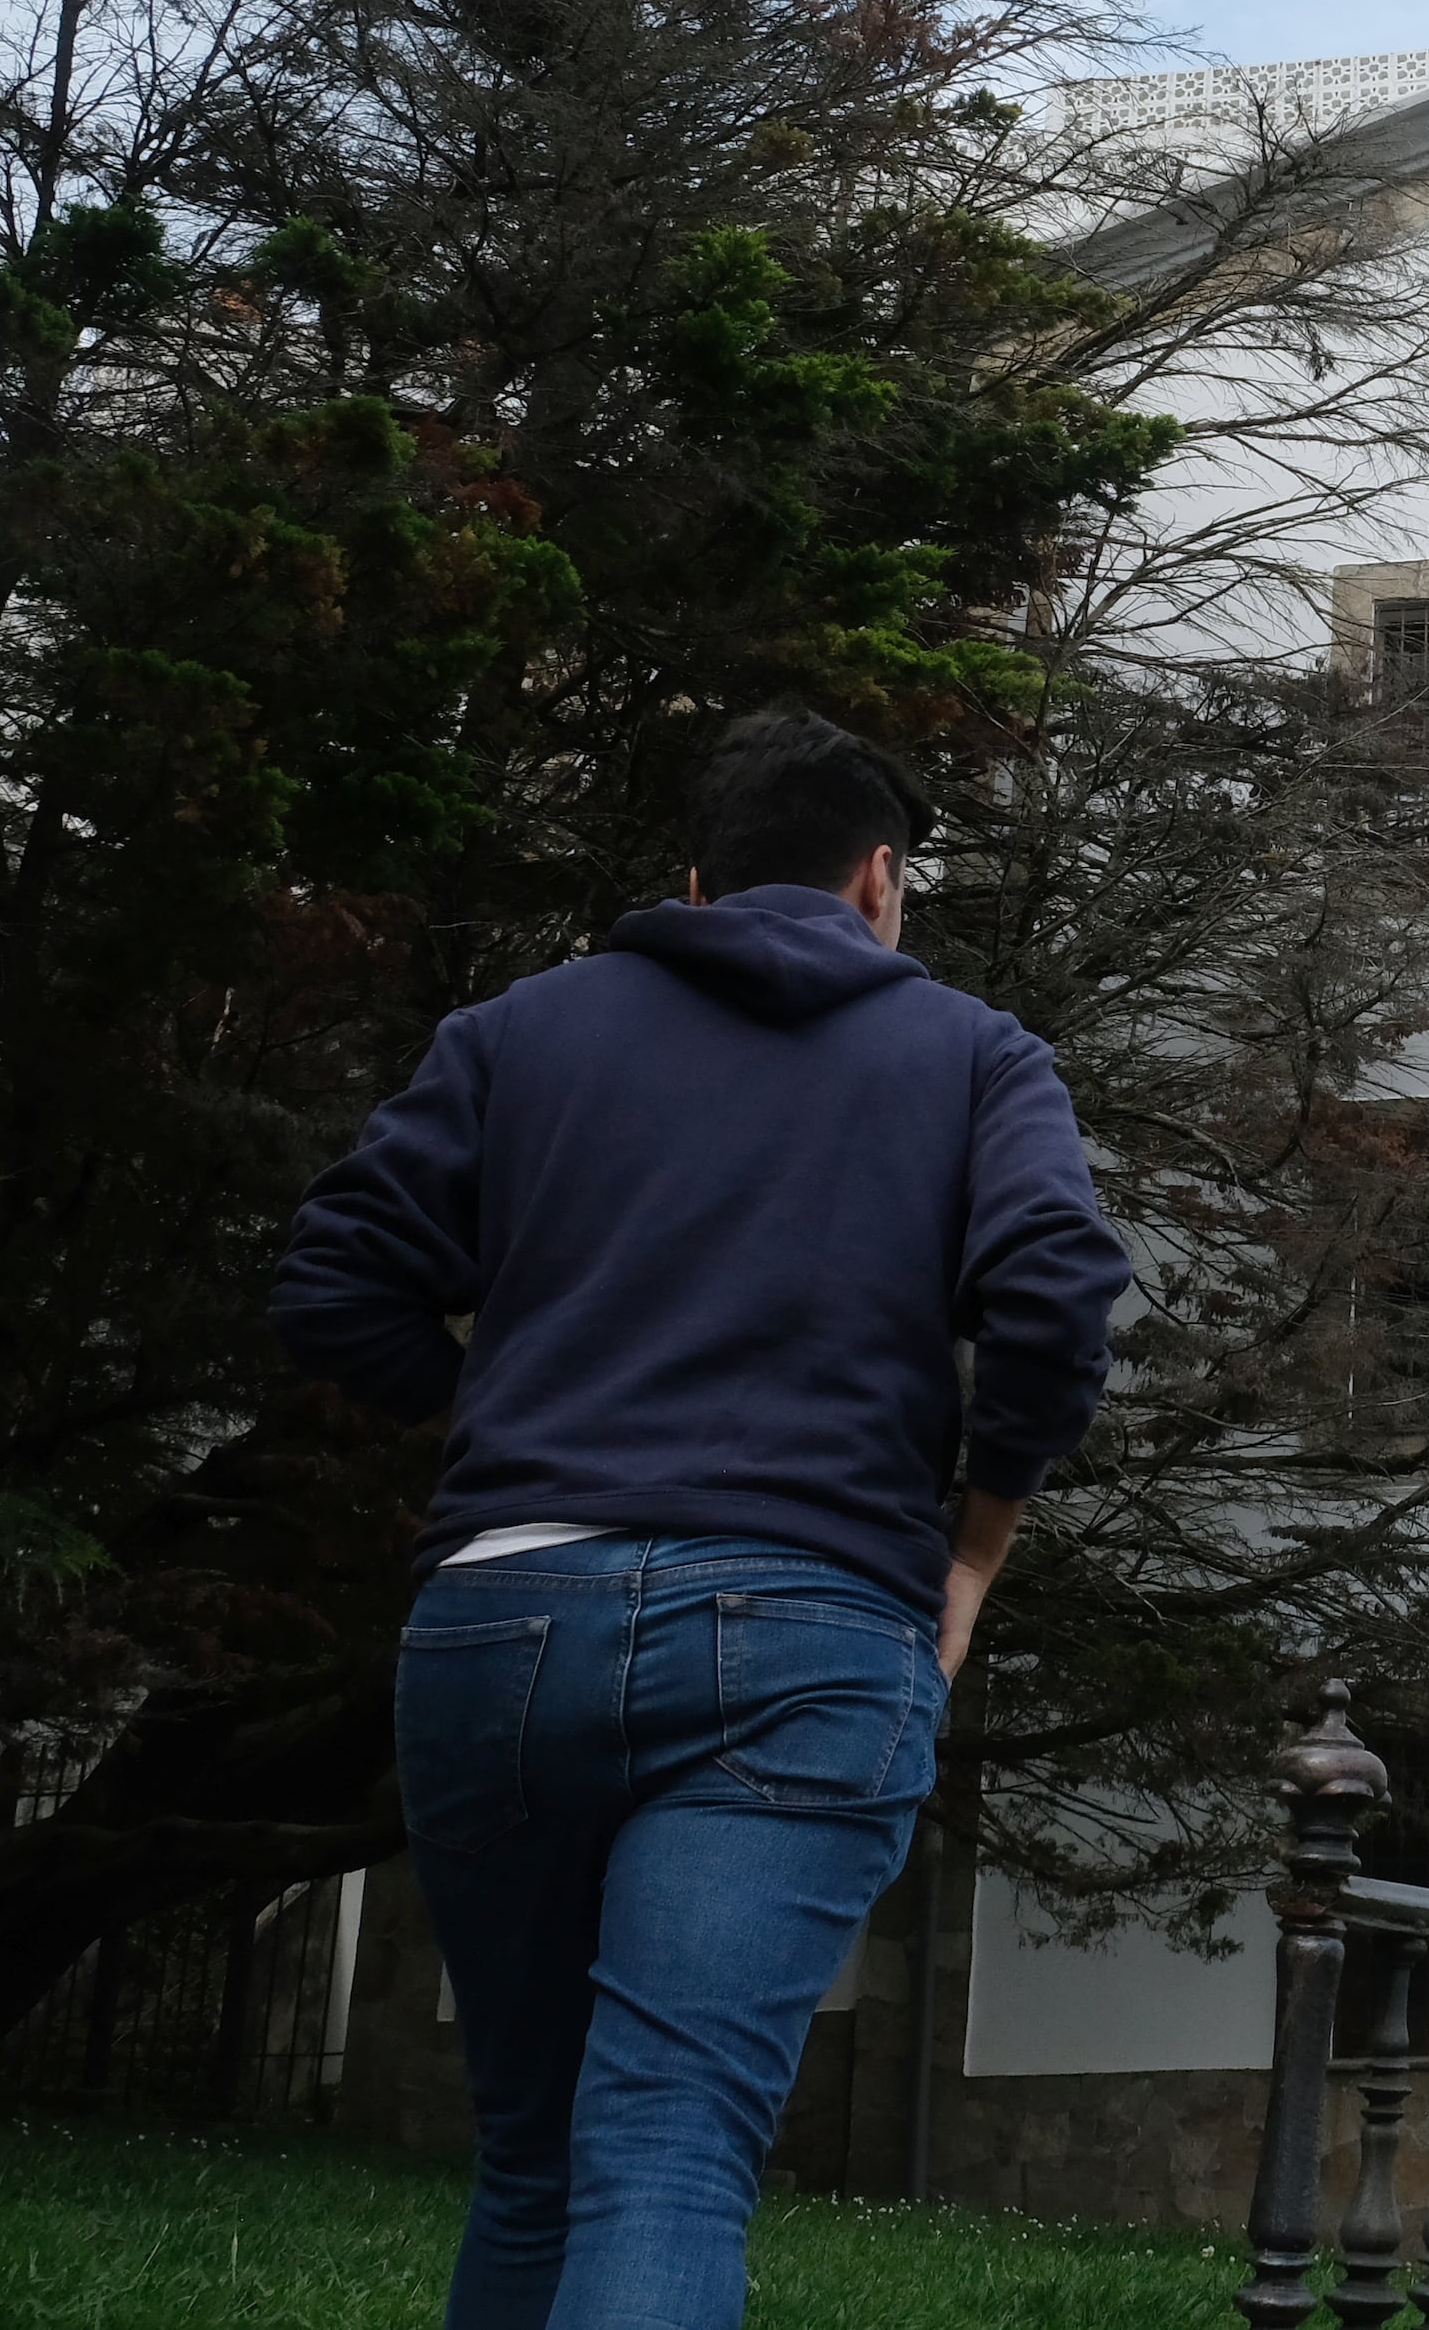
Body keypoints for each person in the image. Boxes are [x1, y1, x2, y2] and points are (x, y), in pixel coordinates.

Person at [272, 705, 1131, 2330]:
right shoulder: (973, 1054)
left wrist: (514, 1421)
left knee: (529, 2158)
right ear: (882, 880)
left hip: (504, 1616)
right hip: (808, 1635)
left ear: (693, 882)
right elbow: (1051, 1295)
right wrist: (972, 1550)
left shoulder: (518, 1031)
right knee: (665, 2155)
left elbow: (331, 1284)